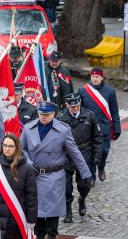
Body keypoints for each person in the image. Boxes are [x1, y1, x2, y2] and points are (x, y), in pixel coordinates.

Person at [20, 101, 92, 239]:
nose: (43, 117)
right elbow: (21, 149)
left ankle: (52, 236)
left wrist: (86, 173)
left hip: (54, 176)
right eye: (41, 114)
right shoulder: (29, 128)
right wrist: (29, 163)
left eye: (47, 114)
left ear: (54, 114)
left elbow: (75, 153)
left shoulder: (63, 130)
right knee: (37, 214)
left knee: (53, 216)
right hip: (34, 175)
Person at [56, 92, 103, 223]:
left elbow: (98, 137)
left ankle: (82, 199)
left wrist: (97, 156)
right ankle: (68, 210)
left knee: (85, 185)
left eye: (77, 106)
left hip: (85, 153)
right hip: (66, 155)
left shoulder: (89, 115)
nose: (75, 109)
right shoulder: (60, 117)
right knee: (66, 186)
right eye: (72, 107)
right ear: (67, 105)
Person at [0, 134, 37, 239]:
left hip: (17, 219)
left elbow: (31, 196)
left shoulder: (27, 169)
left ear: (17, 147)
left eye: (10, 146)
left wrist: (31, 220)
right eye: (5, 145)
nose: (7, 149)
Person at [78, 67, 121, 182]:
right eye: (93, 76)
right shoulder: (82, 91)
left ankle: (101, 168)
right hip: (89, 128)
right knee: (91, 153)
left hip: (104, 127)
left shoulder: (110, 91)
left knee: (104, 151)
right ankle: (92, 176)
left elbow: (114, 111)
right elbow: (79, 111)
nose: (95, 79)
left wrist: (117, 128)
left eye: (97, 77)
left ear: (102, 77)